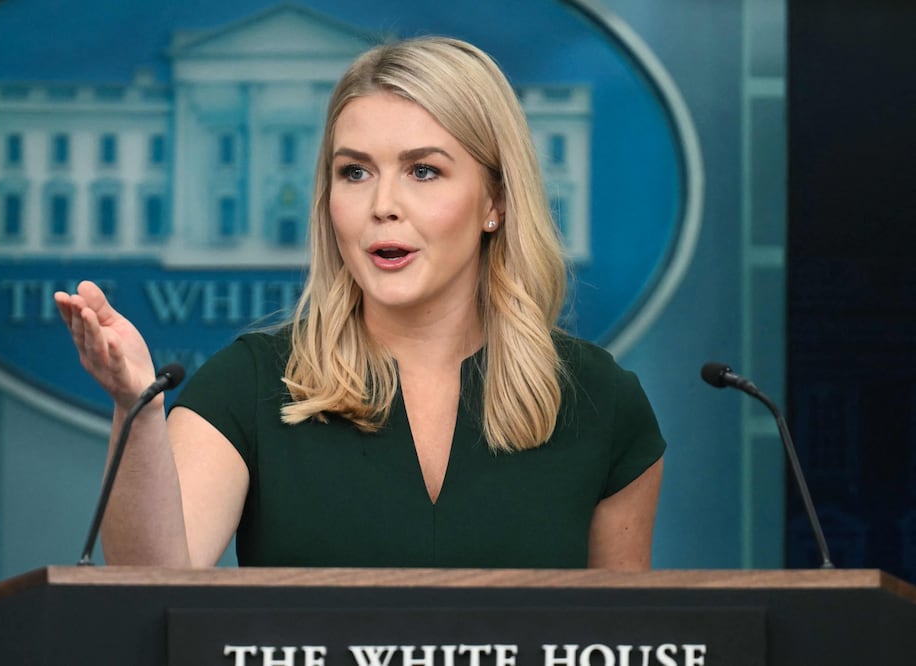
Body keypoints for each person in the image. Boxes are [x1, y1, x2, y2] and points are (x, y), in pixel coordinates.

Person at [55, 36, 665, 570]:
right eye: (355, 173)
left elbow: (622, 638)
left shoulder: (603, 402)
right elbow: (150, 582)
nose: (382, 206)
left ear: (495, 202)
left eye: (423, 171)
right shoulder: (251, 384)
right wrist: (134, 410)